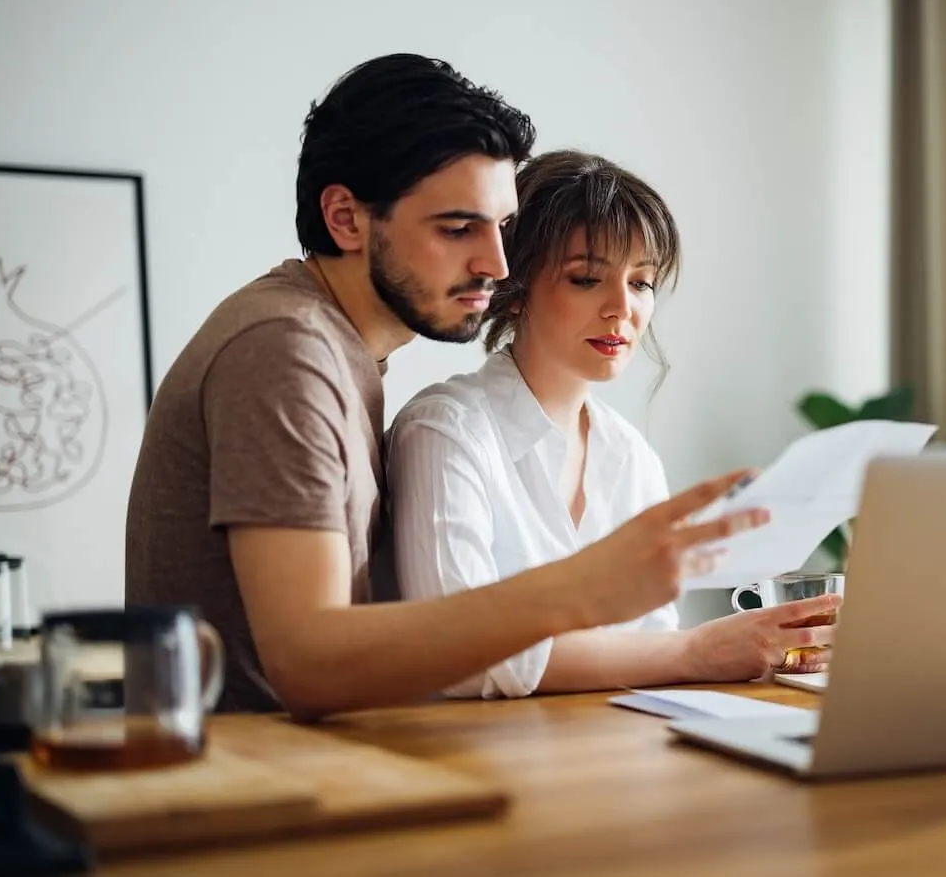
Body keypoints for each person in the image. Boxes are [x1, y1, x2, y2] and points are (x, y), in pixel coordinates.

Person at [123, 55, 769, 719]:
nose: (496, 264)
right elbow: (308, 663)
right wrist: (581, 589)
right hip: (255, 787)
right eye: (459, 229)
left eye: (501, 227)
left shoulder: (336, 351)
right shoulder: (286, 351)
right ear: (345, 219)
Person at [387, 150, 840, 698]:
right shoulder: (446, 432)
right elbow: (454, 661)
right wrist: (698, 651)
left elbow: (652, 649)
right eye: (585, 279)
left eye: (643, 282)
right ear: (517, 285)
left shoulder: (629, 457)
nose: (621, 308)